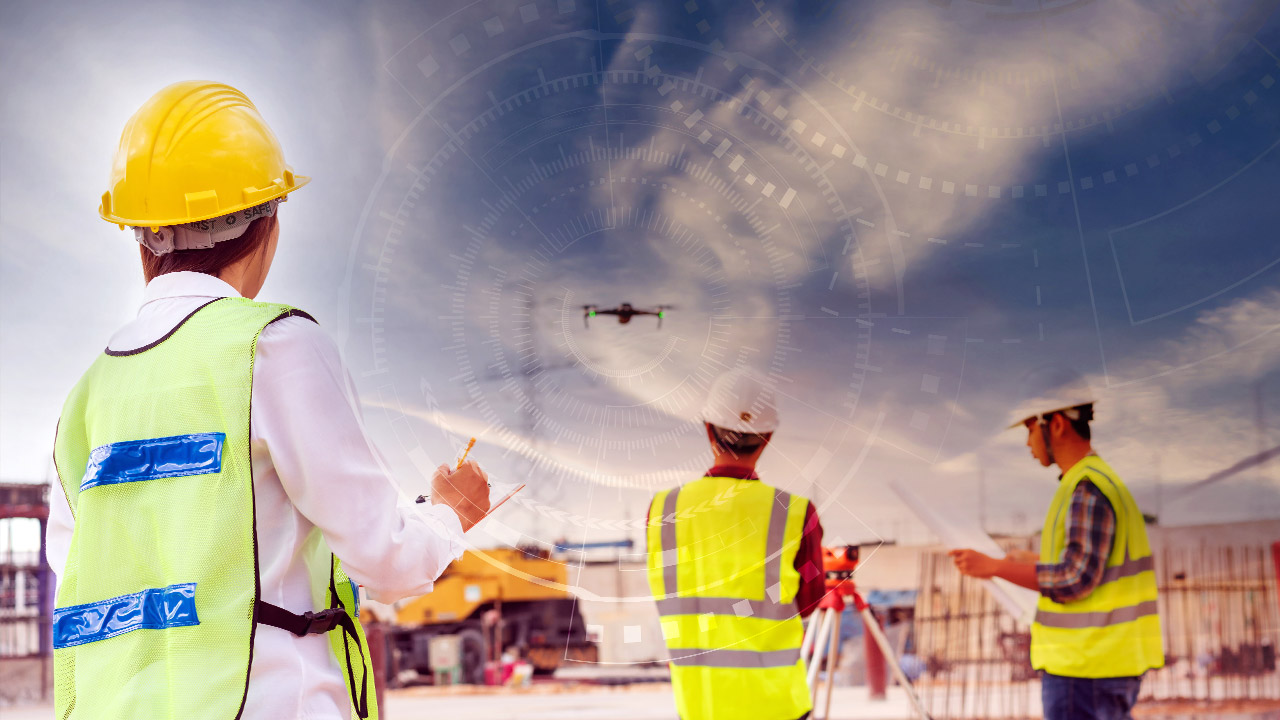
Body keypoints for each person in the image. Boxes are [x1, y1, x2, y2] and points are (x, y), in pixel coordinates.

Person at [46, 81, 491, 720]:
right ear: (269, 223)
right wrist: (450, 515)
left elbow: (85, 585)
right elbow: (387, 561)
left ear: (139, 238)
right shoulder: (273, 348)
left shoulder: (84, 398)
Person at [949, 368, 1163, 720]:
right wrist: (1033, 560)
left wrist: (996, 567)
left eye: (1030, 428)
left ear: (1058, 424)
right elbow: (1095, 565)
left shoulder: (1086, 489)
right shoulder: (1095, 482)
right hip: (1099, 667)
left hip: (1086, 668)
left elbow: (1073, 578)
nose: (1027, 442)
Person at [646, 368, 825, 720]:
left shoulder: (663, 509)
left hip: (699, 703)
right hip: (777, 703)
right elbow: (809, 599)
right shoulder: (796, 513)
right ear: (768, 437)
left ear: (708, 429)